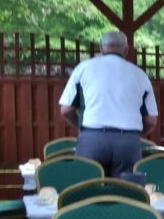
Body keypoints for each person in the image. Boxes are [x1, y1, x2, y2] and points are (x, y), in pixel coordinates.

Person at [58, 31, 158, 178]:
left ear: (101, 48)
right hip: (128, 142)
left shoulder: (83, 69)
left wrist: (82, 126)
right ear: (126, 50)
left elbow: (66, 110)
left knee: (88, 191)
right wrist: (133, 135)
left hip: (92, 138)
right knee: (128, 193)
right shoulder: (140, 75)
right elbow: (151, 120)